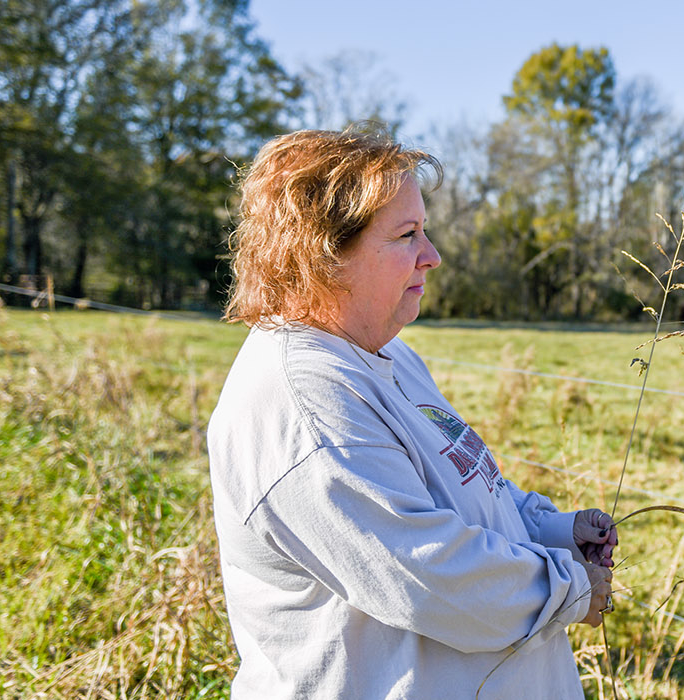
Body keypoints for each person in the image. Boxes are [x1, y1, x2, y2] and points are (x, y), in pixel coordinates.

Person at [207, 127, 618, 699]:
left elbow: (464, 489)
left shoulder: (386, 353)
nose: (433, 255)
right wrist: (567, 586)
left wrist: (552, 530)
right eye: (407, 234)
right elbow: (425, 577)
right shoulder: (306, 403)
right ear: (321, 254)